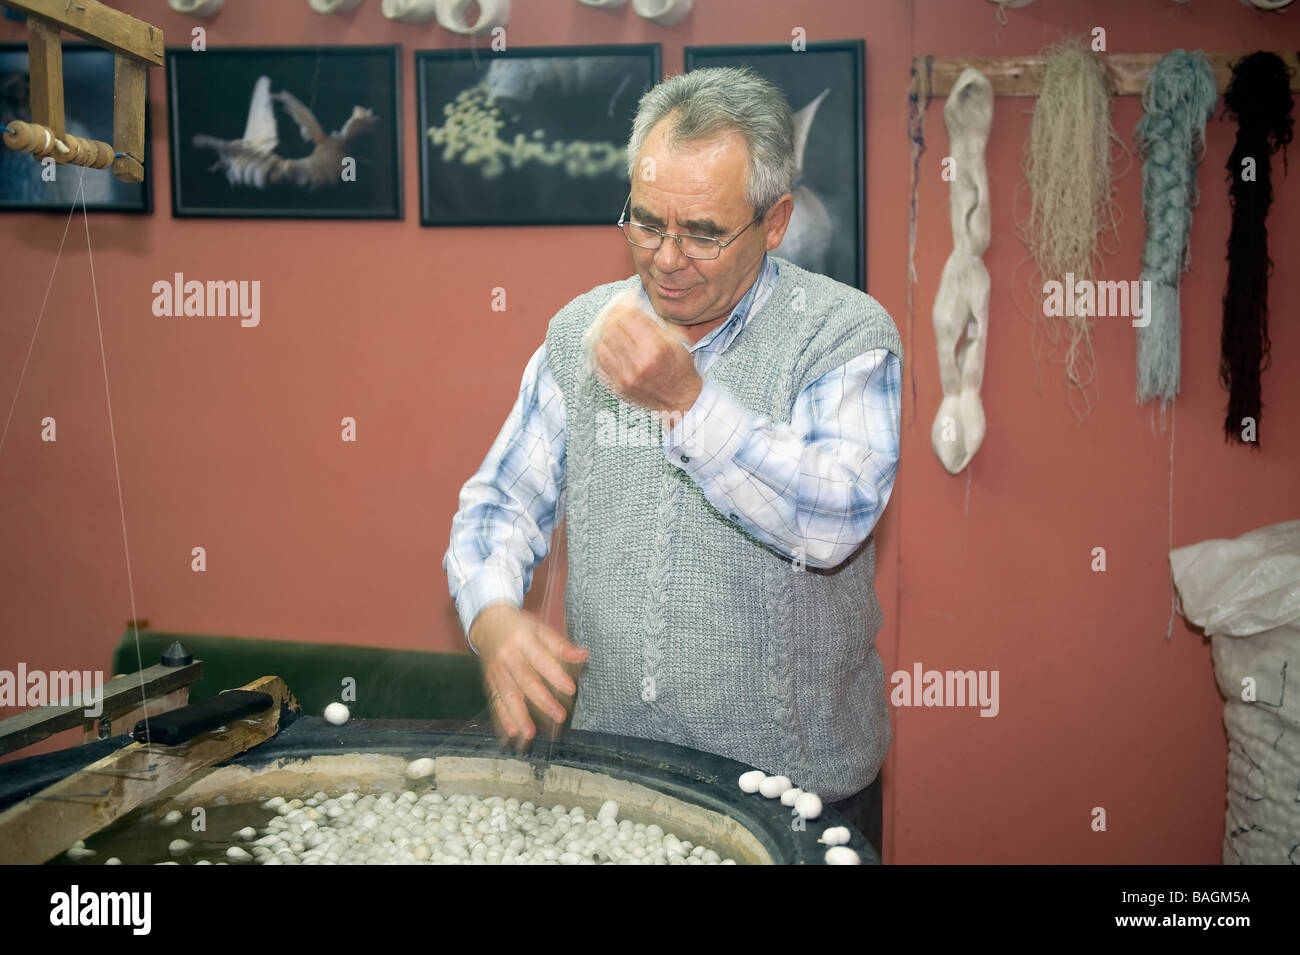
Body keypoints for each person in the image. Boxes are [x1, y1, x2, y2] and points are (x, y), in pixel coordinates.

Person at [444, 66, 902, 857]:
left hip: (799, 791)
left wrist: (690, 404)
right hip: (620, 778)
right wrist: (492, 616)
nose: (666, 258)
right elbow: (499, 502)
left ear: (775, 221)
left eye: (702, 232)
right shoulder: (584, 329)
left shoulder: (845, 334)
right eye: (646, 222)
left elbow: (833, 521)